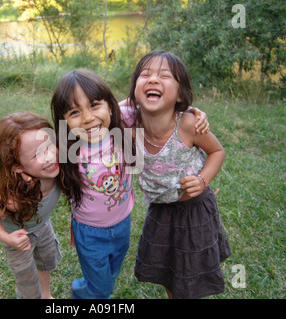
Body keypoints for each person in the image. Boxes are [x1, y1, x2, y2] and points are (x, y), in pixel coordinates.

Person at [50, 69, 209, 299]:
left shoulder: (123, 126)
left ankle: (85, 288)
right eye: (75, 112)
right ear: (63, 120)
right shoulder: (65, 149)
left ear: (110, 106)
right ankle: (83, 294)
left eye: (94, 105)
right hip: (89, 231)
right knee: (100, 289)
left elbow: (151, 103)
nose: (87, 118)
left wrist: (193, 112)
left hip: (123, 223)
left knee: (110, 275)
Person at [129, 50, 231, 299]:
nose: (153, 79)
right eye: (145, 75)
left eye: (164, 76)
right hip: (161, 211)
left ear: (180, 95)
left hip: (193, 209)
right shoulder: (130, 126)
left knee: (191, 273)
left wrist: (202, 179)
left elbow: (217, 151)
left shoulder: (188, 124)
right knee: (169, 270)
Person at [0, 111, 62, 299]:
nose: (50, 156)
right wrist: (7, 238)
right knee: (27, 283)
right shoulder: (15, 200)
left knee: (46, 262)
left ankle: (47, 295)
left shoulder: (60, 172)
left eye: (50, 146)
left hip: (43, 227)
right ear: (18, 166)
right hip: (18, 239)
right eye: (37, 154)